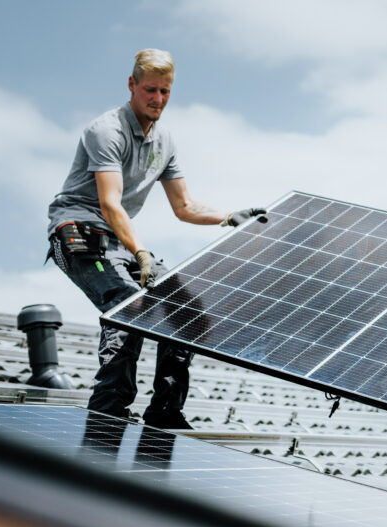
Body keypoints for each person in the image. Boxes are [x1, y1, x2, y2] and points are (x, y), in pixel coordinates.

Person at [47, 48, 265, 429]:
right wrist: (141, 252)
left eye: (165, 92)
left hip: (121, 239)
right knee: (127, 303)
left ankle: (165, 413)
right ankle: (108, 412)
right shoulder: (107, 130)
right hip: (80, 231)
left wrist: (230, 217)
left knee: (187, 312)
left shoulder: (165, 141)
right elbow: (111, 204)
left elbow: (184, 206)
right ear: (132, 85)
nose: (158, 99)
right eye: (150, 90)